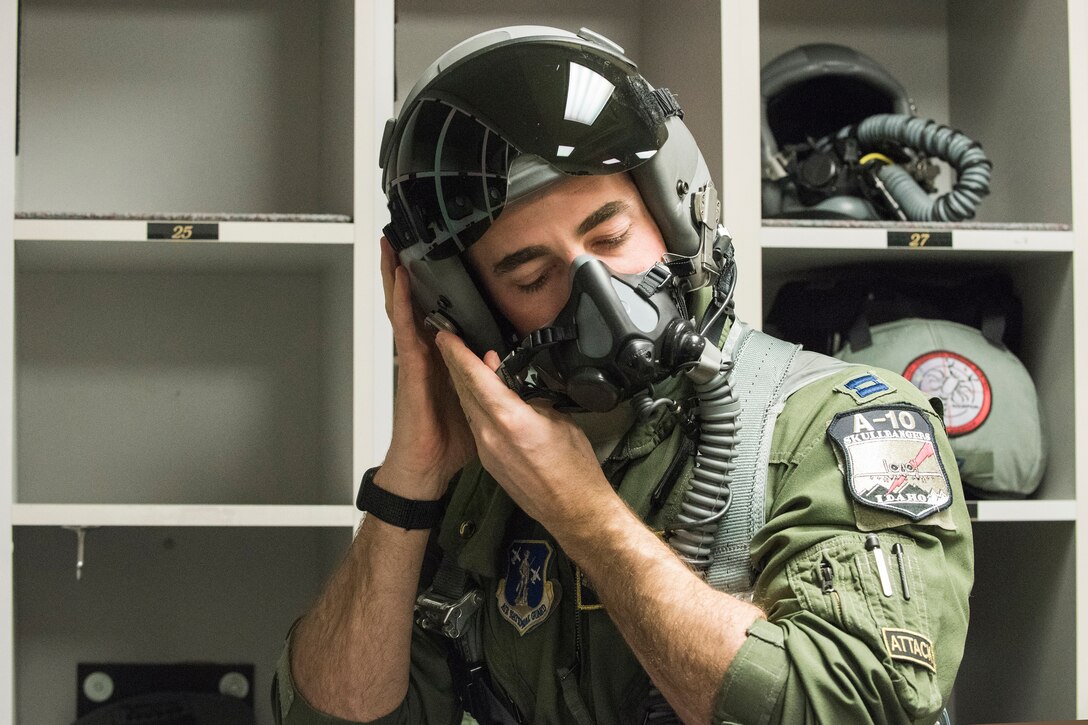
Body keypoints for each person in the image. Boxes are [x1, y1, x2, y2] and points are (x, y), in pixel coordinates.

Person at [272, 26, 973, 725]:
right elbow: (329, 713)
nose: (599, 291)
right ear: (476, 312)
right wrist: (411, 481)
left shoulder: (841, 426)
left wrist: (586, 518)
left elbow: (865, 709)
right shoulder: (485, 480)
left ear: (673, 211)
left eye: (611, 237)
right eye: (533, 275)